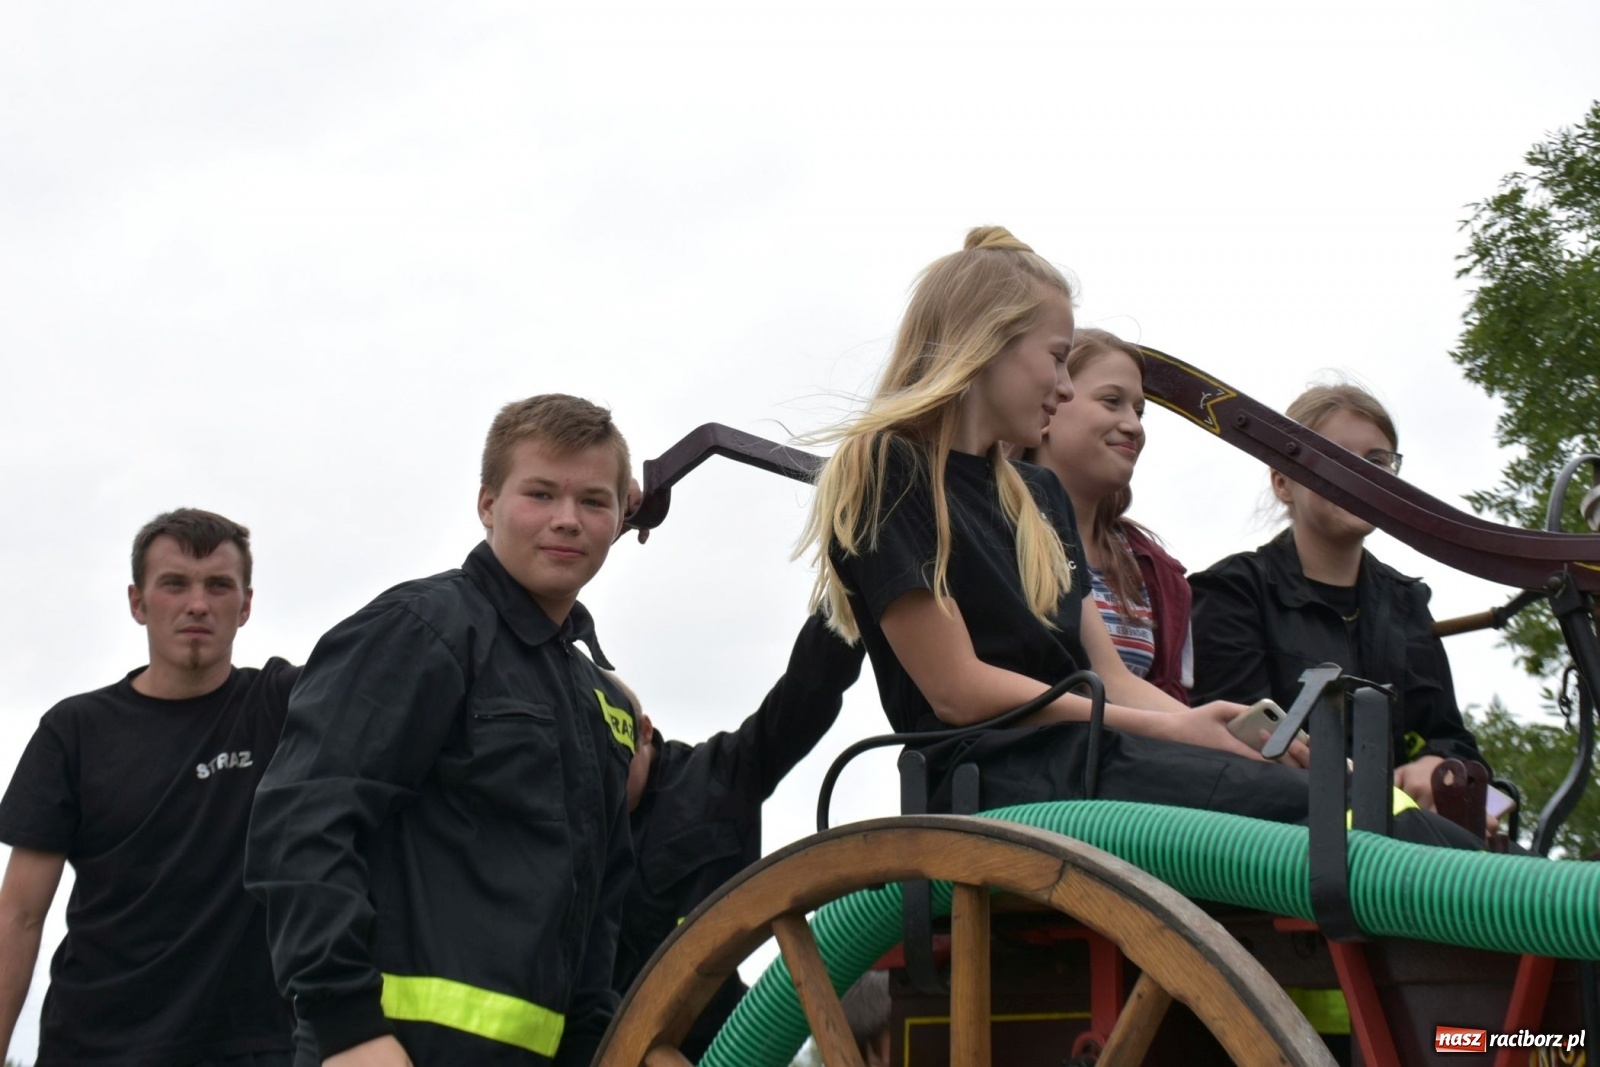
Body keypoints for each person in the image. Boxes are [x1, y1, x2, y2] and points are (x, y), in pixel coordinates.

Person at [797, 225, 1476, 851]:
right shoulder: (889, 467)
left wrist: (1213, 721)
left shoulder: (1037, 497)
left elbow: (1113, 676)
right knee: (1325, 813)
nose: (1063, 388)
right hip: (996, 787)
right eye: (1058, 360)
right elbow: (958, 691)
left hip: (1085, 761)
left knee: (1353, 794)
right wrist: (1173, 729)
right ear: (989, 342)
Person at [246, 394, 638, 1067]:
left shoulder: (602, 702)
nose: (567, 520)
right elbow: (303, 820)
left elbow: (597, 909)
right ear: (487, 503)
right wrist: (346, 1027)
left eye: (594, 501)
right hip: (391, 1050)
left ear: (622, 514)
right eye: (540, 493)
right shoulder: (422, 631)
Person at [0, 509, 297, 1066]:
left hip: (253, 1047)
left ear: (246, 605)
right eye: (175, 584)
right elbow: (18, 915)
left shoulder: (283, 707)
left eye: (218, 585)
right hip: (92, 1047)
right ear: (138, 602)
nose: (198, 604)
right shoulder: (75, 731)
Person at [1189, 382, 1488, 812]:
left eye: (1376, 461)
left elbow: (1451, 738)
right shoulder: (1233, 590)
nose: (1361, 475)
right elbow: (1235, 745)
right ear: (1282, 482)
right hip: (1279, 845)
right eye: (1337, 459)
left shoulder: (1407, 602)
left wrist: (1437, 764)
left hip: (1412, 852)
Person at [612, 613, 864, 1060]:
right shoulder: (565, 822)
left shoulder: (719, 777)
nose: (605, 777)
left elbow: (802, 700)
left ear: (645, 730)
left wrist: (847, 597)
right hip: (606, 1043)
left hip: (726, 1039)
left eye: (617, 757)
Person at [1026, 328, 1193, 702]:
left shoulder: (1156, 570)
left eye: (1139, 410)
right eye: (1111, 401)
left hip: (1137, 756)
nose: (1134, 426)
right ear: (1050, 404)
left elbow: (1170, 700)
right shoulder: (995, 528)